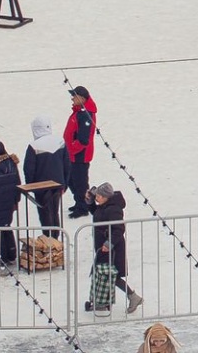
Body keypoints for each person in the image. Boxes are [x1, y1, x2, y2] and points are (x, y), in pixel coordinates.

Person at [85, 183, 141, 314]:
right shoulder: (105, 206)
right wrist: (90, 201)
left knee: (110, 275)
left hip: (112, 249)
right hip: (105, 247)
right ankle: (103, 303)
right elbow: (97, 213)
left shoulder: (114, 209)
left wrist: (109, 243)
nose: (97, 197)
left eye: (99, 196)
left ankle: (133, 296)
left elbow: (119, 229)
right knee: (103, 274)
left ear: (106, 197)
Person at [23, 115, 66, 238]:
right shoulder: (60, 142)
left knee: (44, 213)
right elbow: (67, 165)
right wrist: (64, 183)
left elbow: (29, 168)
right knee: (54, 211)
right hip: (57, 184)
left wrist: (30, 185)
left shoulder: (34, 145)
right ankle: (56, 236)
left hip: (40, 186)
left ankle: (48, 237)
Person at [65, 86, 98, 217]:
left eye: (74, 96)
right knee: (72, 180)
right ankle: (79, 202)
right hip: (73, 154)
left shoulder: (85, 115)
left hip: (80, 155)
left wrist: (71, 149)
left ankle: (83, 207)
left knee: (80, 182)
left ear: (82, 98)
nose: (72, 98)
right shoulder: (80, 111)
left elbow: (83, 140)